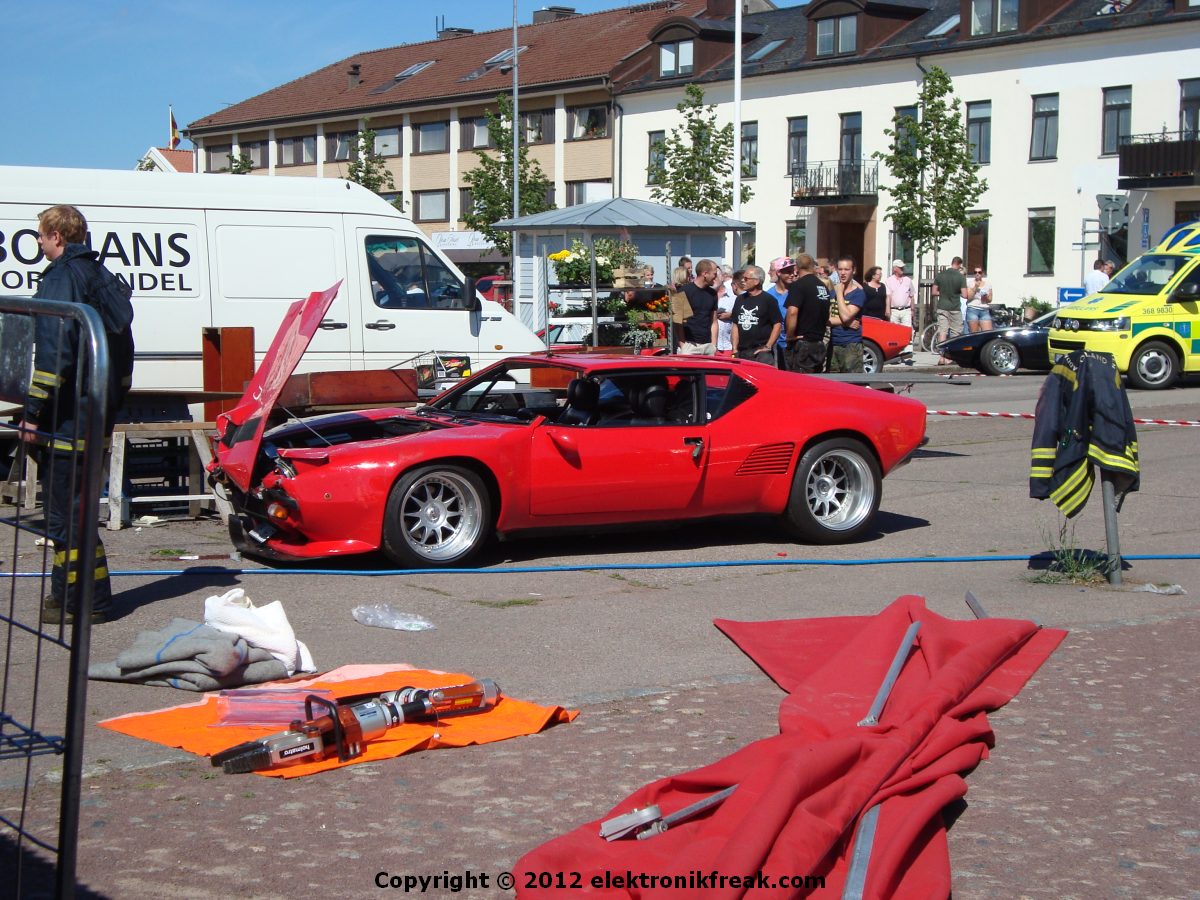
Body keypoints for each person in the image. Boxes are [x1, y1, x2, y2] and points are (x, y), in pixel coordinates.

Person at [21, 205, 135, 625]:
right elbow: (124, 355)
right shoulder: (101, 277)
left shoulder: (62, 278)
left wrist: (33, 412)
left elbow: (53, 355)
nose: (37, 242)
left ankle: (88, 603)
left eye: (39, 235)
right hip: (95, 415)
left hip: (67, 417)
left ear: (56, 236)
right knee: (70, 512)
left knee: (67, 515)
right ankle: (64, 598)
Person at [784, 254, 830, 374]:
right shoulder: (823, 286)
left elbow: (792, 312)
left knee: (799, 385)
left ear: (797, 268)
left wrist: (790, 335)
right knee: (816, 384)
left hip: (803, 344)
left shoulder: (798, 286)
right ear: (812, 267)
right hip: (819, 343)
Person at [730, 265, 782, 365]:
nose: (742, 281)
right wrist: (735, 349)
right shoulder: (740, 299)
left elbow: (777, 324)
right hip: (742, 352)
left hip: (760, 353)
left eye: (746, 279)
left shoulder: (768, 300)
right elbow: (735, 324)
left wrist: (768, 346)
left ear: (756, 281)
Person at [828, 256, 865, 373]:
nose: (843, 273)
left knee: (854, 383)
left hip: (851, 344)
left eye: (846, 269)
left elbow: (845, 315)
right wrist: (847, 323)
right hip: (833, 343)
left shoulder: (858, 294)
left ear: (853, 271)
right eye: (840, 269)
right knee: (834, 384)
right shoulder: (831, 293)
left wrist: (839, 293)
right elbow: (826, 319)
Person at [933, 256, 969, 365]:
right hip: (954, 307)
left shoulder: (940, 275)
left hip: (942, 306)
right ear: (959, 265)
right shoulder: (960, 277)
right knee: (955, 332)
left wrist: (943, 293)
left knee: (942, 331)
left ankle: (941, 356)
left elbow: (934, 292)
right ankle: (950, 357)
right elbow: (965, 295)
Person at [678, 259, 718, 355]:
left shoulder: (712, 293)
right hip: (689, 345)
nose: (716, 277)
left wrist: (713, 345)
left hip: (708, 346)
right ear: (705, 273)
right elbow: (677, 321)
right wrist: (683, 345)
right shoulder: (682, 291)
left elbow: (714, 321)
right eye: (714, 274)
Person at [766, 257, 797, 367]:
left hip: (794, 344)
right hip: (776, 345)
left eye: (793, 271)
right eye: (788, 272)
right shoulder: (769, 295)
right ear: (779, 273)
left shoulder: (798, 292)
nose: (792, 275)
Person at [715, 265, 738, 357]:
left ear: (723, 277)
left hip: (728, 345)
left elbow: (742, 315)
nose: (714, 278)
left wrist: (731, 315)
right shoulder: (705, 295)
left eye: (716, 275)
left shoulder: (733, 295)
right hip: (709, 346)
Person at [965, 265, 993, 332]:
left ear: (982, 274)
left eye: (979, 272)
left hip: (984, 310)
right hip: (973, 309)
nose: (977, 274)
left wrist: (986, 297)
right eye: (975, 272)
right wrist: (975, 287)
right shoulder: (970, 283)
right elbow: (969, 297)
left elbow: (990, 300)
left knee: (988, 333)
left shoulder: (988, 284)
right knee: (974, 334)